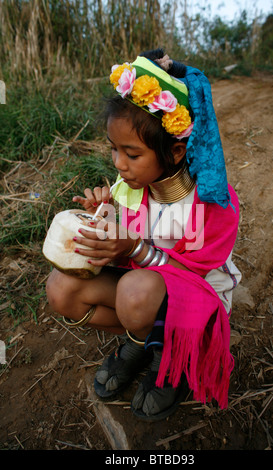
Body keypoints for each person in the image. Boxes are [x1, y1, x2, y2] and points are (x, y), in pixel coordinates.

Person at [46, 48, 241, 422]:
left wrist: (132, 246)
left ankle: (176, 359)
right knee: (61, 288)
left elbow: (190, 277)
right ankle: (140, 340)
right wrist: (103, 218)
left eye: (131, 154)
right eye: (114, 150)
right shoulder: (132, 187)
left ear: (176, 149)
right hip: (144, 289)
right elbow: (127, 250)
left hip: (197, 301)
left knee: (135, 294)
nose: (118, 164)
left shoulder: (211, 202)